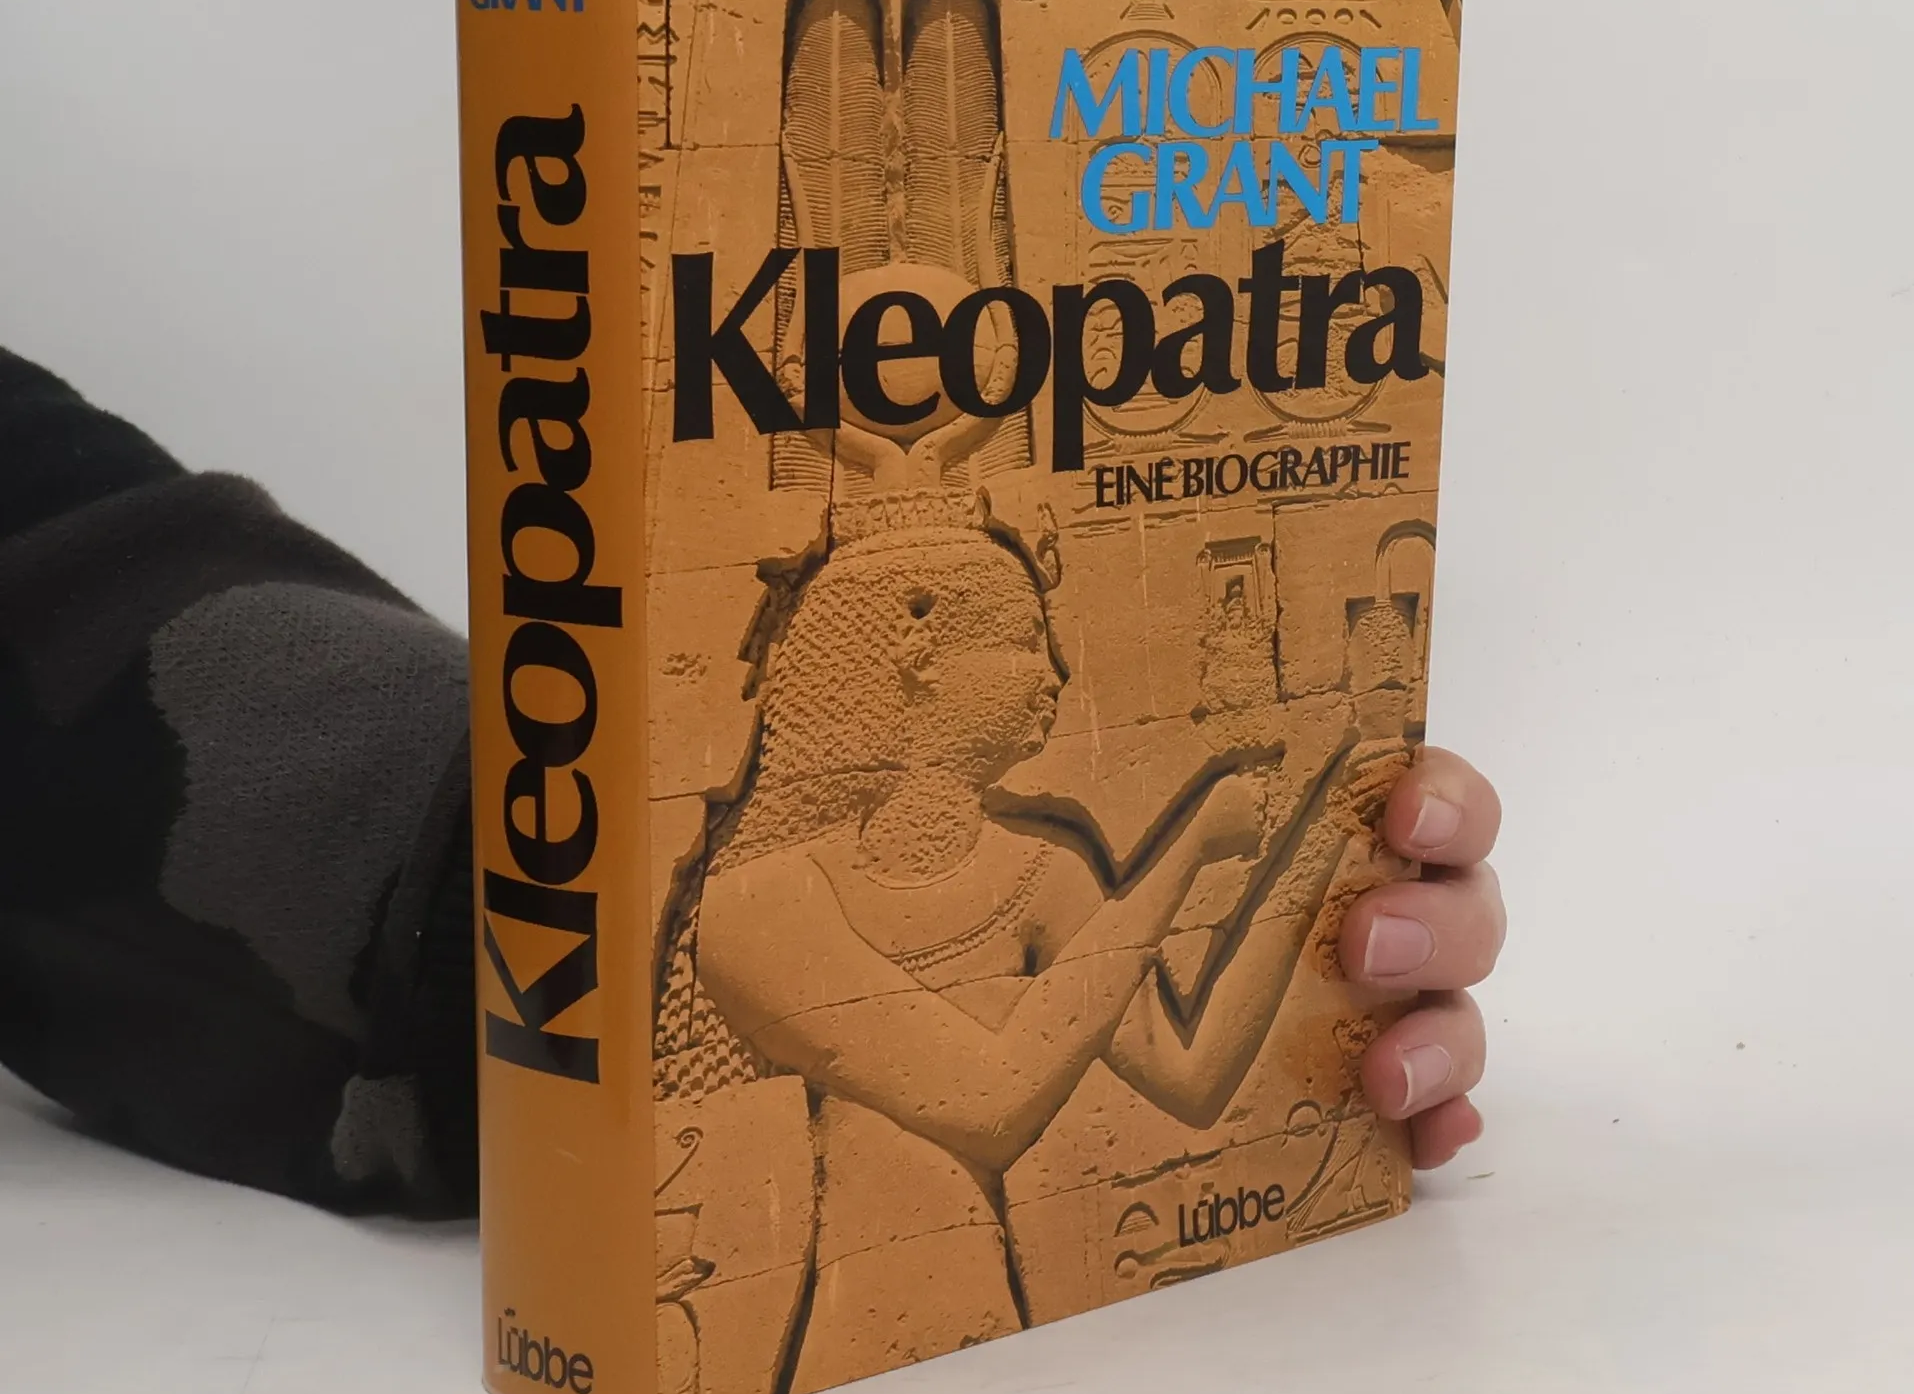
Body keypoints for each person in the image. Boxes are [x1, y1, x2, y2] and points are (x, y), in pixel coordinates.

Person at [0, 346, 1504, 1218]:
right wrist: (1180, 863)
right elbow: (986, 1100)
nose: (1057, 674)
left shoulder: (1049, 874)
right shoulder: (763, 905)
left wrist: (1316, 886)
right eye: (1016, 643)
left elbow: (1184, 1077)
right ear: (904, 674)